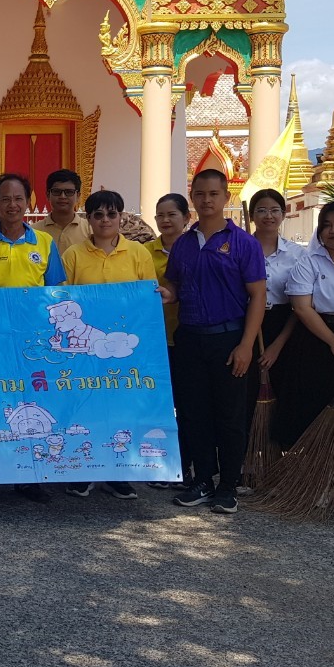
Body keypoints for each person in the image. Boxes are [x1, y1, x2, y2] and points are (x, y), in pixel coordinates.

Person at [163, 169, 266, 515]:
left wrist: (246, 345)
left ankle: (228, 485)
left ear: (226, 197)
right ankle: (203, 479)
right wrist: (167, 294)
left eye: (213, 194)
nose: (206, 200)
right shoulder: (183, 244)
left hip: (229, 339)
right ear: (192, 197)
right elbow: (175, 286)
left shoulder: (243, 243)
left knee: (230, 416)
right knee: (194, 413)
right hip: (190, 339)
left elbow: (258, 295)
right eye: (200, 194)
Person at [0, 173, 65, 504]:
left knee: (32, 405)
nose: (12, 205)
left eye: (18, 198)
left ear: (28, 202)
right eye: (5, 199)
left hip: (33, 343)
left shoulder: (45, 243)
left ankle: (29, 476)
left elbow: (56, 292)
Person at [61, 190, 154, 501]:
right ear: (88, 218)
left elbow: (147, 301)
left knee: (121, 408)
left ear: (121, 217)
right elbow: (64, 301)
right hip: (85, 351)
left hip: (124, 350)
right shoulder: (73, 255)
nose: (105, 220)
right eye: (98, 215)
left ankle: (118, 473)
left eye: (111, 214)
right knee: (84, 406)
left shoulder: (138, 254)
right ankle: (83, 470)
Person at [282, 203, 334, 481]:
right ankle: (313, 473)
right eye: (326, 225)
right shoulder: (309, 262)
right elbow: (302, 307)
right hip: (316, 337)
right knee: (313, 403)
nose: (333, 230)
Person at [244, 189, 305, 466]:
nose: (268, 216)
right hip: (246, 324)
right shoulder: (242, 248)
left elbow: (300, 305)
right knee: (246, 390)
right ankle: (246, 453)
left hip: (283, 324)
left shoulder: (297, 254)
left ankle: (276, 455)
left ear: (283, 214)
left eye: (274, 210)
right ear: (252, 215)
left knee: (282, 390)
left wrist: (277, 346)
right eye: (261, 210)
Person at [145, 193, 190, 487]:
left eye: (172, 214)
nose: (165, 220)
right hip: (153, 341)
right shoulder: (143, 252)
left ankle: (184, 464)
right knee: (157, 406)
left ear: (186, 217)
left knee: (186, 406)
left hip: (185, 337)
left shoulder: (195, 249)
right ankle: (158, 463)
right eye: (160, 215)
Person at [37, 169, 89, 255]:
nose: (63, 196)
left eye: (69, 192)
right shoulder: (34, 231)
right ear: (48, 195)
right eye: (57, 191)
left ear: (78, 196)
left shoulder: (91, 230)